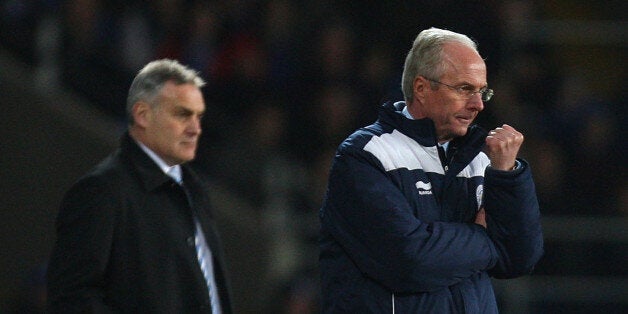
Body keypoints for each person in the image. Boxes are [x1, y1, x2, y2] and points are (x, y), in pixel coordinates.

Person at [319, 27, 543, 313]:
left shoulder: (482, 159)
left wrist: (508, 176)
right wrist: (482, 235)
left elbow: (519, 258)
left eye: (482, 91)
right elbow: (407, 261)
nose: (478, 105)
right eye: (464, 89)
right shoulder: (366, 155)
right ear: (422, 88)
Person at [47, 59, 232, 313]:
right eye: (182, 114)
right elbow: (72, 297)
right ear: (143, 115)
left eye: (199, 116)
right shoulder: (103, 190)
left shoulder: (194, 191)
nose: (196, 129)